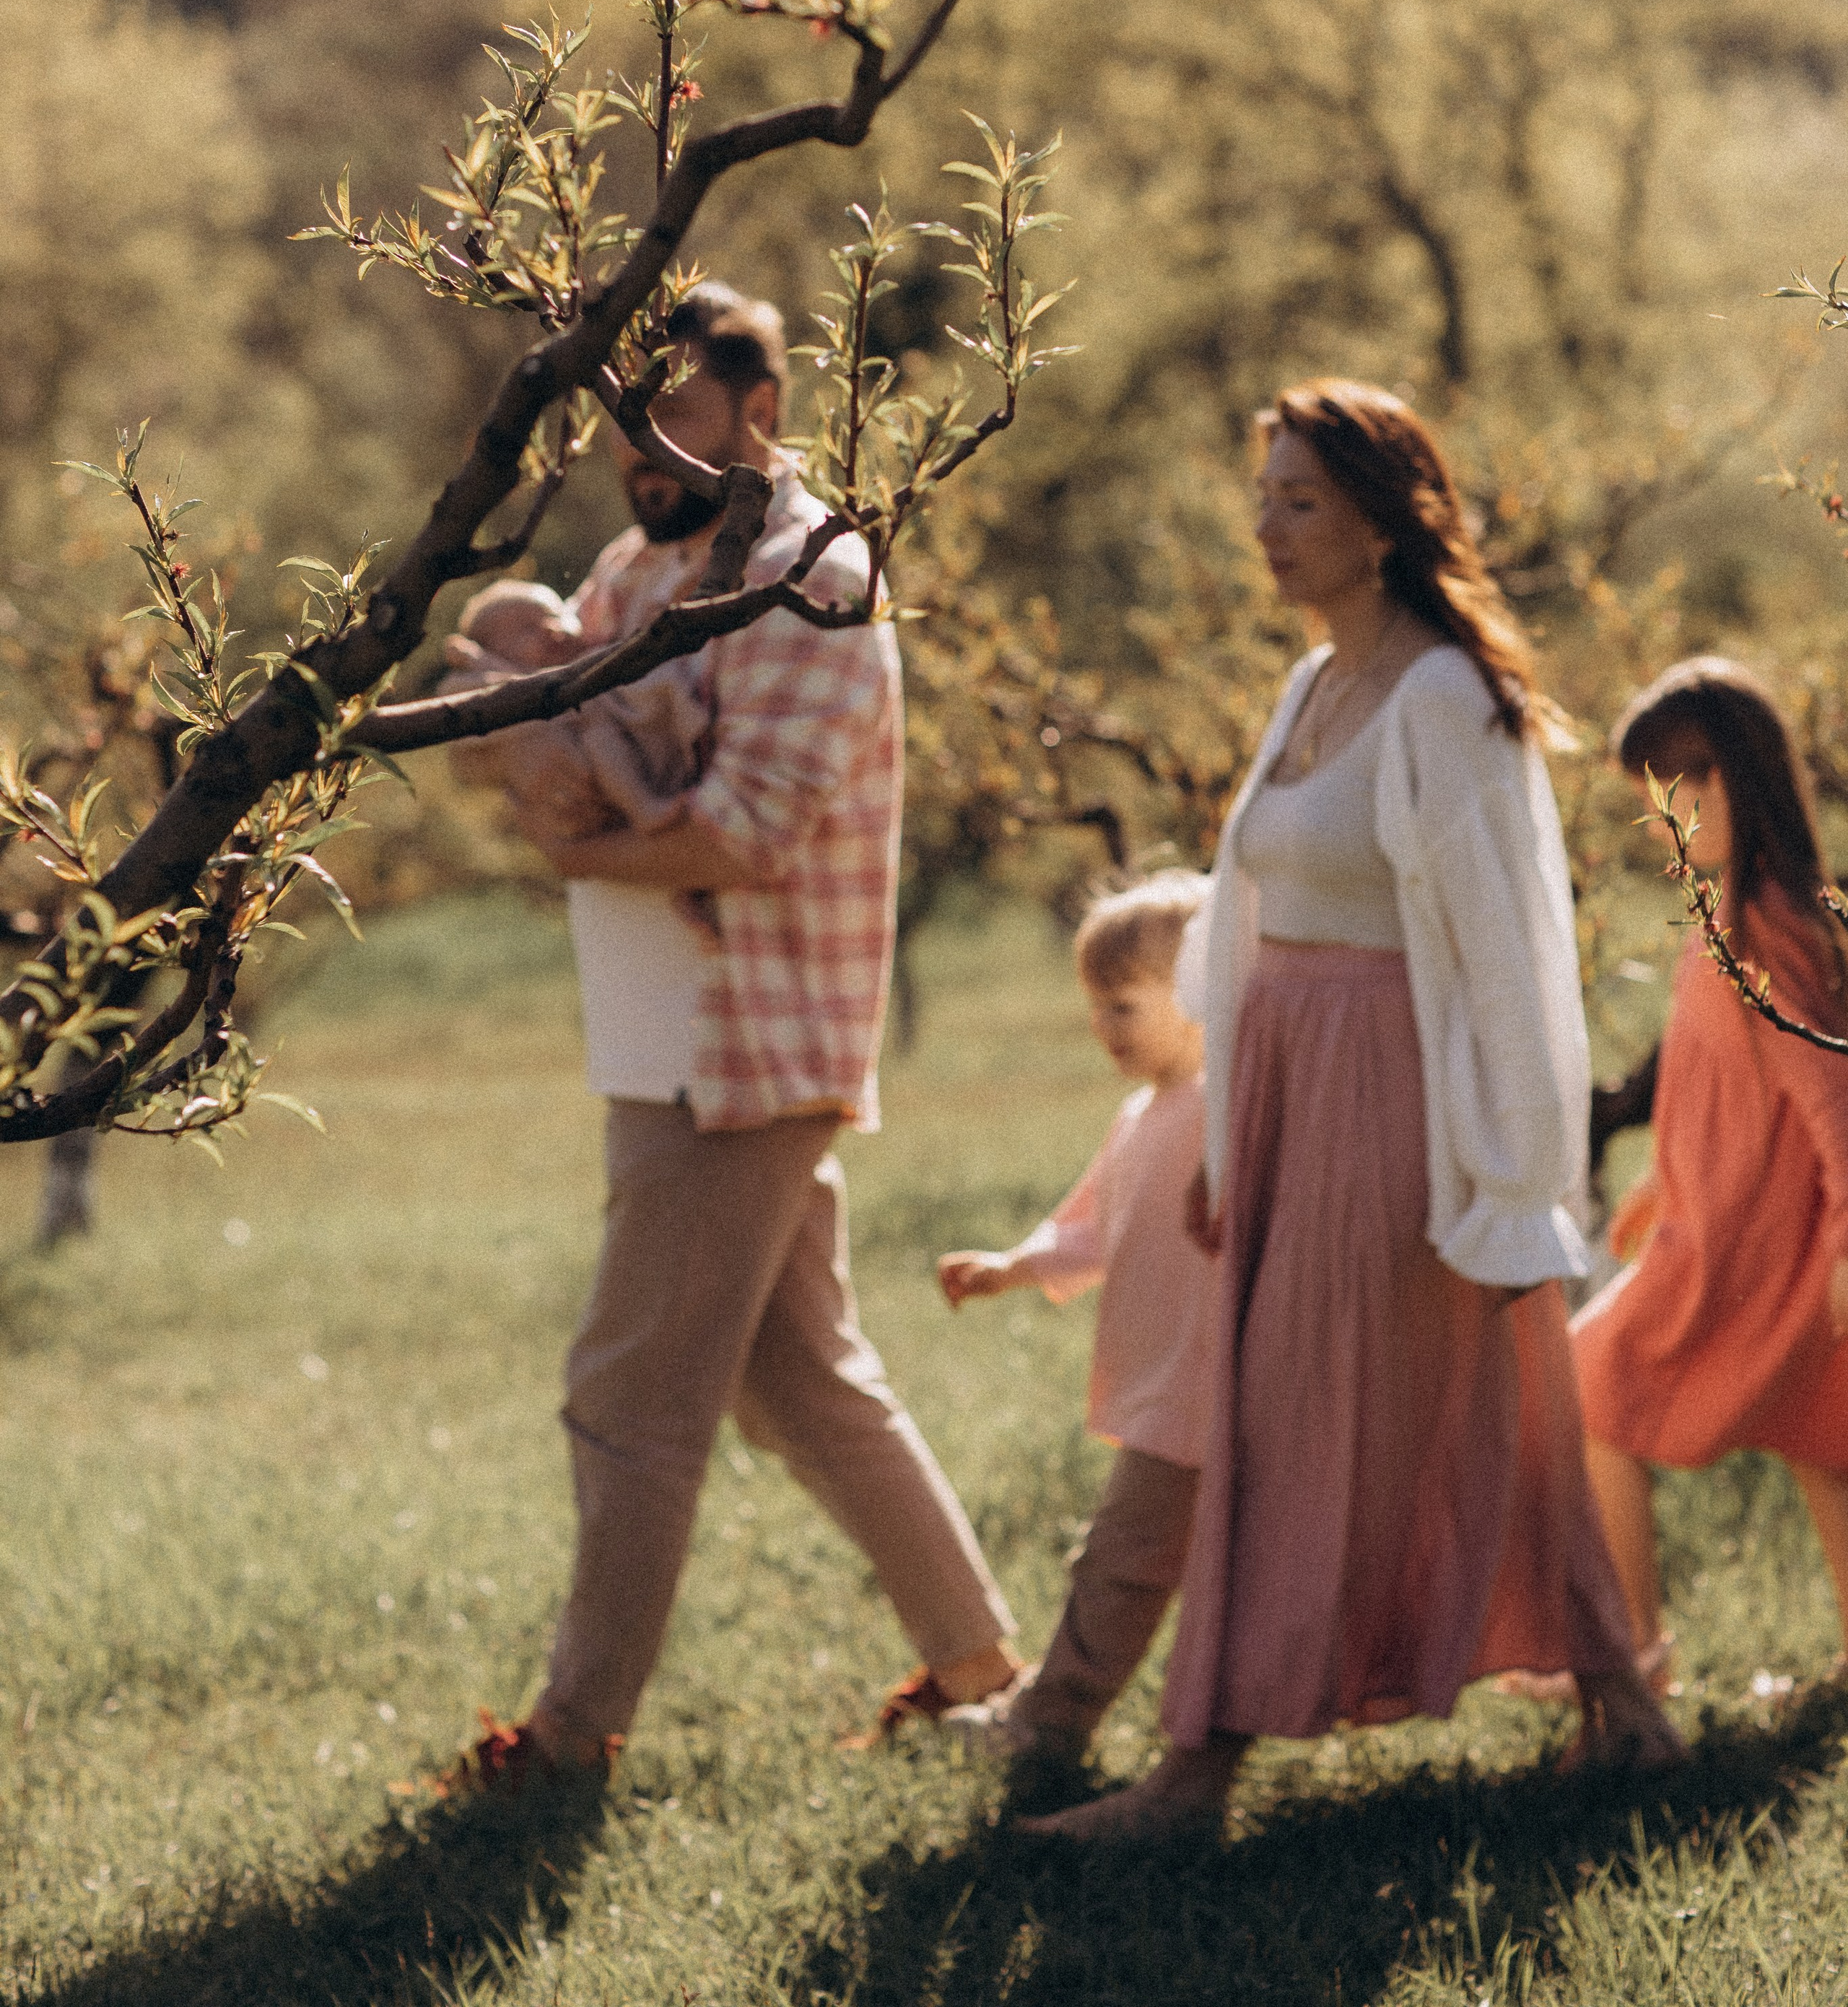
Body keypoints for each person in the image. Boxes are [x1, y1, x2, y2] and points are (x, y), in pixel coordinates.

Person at [1026, 378, 1681, 1842]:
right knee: (1459, 1401)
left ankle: (1196, 1775)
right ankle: (1629, 1713)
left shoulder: (1442, 697)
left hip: (1395, 1092)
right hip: (1285, 1084)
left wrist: (1517, 1181)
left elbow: (1509, 950)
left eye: (1300, 501)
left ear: (1380, 523)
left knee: (1318, 1412)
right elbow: (1248, 919)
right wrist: (1224, 1130)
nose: (1267, 528)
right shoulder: (1309, 684)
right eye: (1261, 498)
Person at [451, 281, 1017, 1786]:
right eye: (622, 419)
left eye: (675, 415)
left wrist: (571, 841)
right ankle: (984, 1674)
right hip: (665, 1037)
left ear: (760, 413)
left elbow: (745, 838)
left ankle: (569, 1740)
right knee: (800, 1383)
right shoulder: (639, 566)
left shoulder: (805, 580)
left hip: (740, 1048)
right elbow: (525, 717)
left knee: (629, 1399)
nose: (639, 449)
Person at [1573, 658, 1848, 1683]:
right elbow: (1721, 1080)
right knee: (1823, 1441)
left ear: (1723, 779)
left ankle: (1635, 1665)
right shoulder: (1727, 913)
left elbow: (1828, 1099)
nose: (1657, 826)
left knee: (1589, 1387)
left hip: (1748, 1248)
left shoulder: (1761, 925)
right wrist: (1664, 1178)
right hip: (1732, 1223)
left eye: (1668, 797)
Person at [935, 873, 1215, 1769]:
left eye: (1124, 1005)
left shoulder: (1225, 1111)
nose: (1103, 1026)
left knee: (1125, 1560)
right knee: (1130, 1560)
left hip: (1206, 1382)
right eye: (1095, 1006)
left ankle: (1048, 1723)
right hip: (1166, 1382)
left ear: (1202, 991)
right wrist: (1013, 1267)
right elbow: (1095, 1225)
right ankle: (1055, 1718)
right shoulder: (1141, 1115)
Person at [441, 576, 710, 840]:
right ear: (498, 657)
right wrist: (479, 662)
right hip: (584, 781)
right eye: (526, 631)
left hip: (657, 758)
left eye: (552, 615)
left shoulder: (591, 656)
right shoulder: (517, 679)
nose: (549, 628)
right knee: (598, 734)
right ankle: (644, 807)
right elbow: (517, 688)